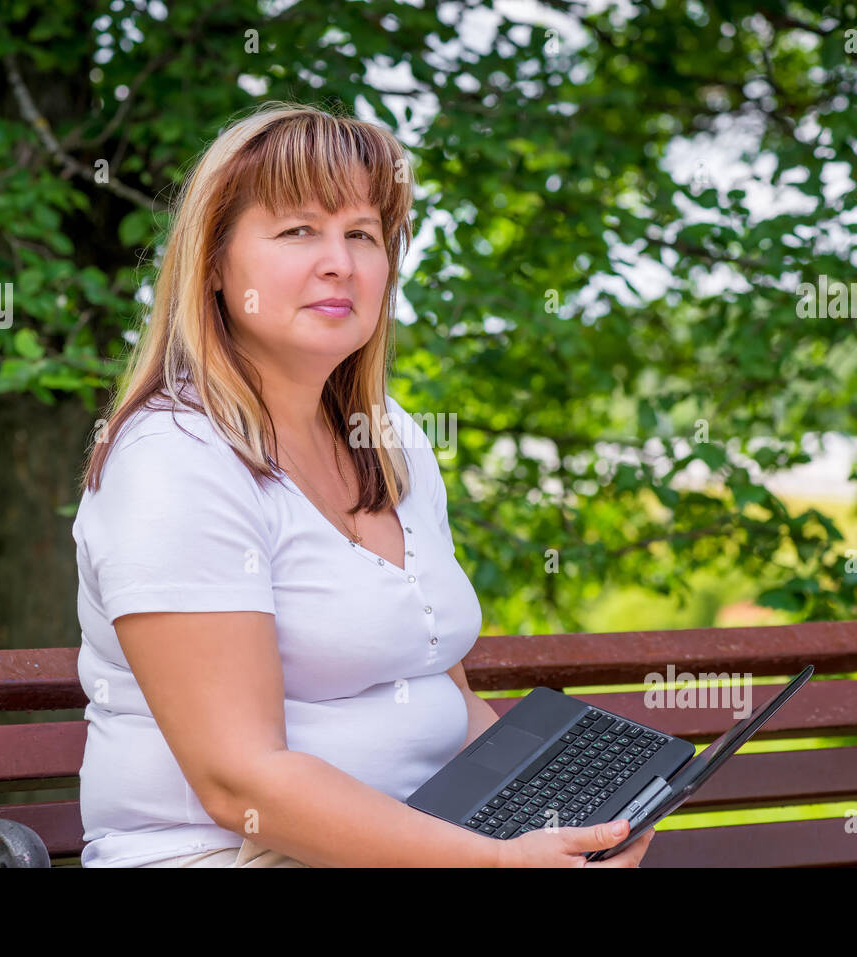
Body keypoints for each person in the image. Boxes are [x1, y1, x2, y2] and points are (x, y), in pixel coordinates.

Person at [72, 101, 655, 868]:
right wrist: (497, 864)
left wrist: (577, 821)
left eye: (362, 234)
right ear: (212, 265)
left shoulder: (390, 438)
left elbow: (446, 697)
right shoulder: (174, 460)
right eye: (297, 231)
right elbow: (237, 783)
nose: (338, 262)